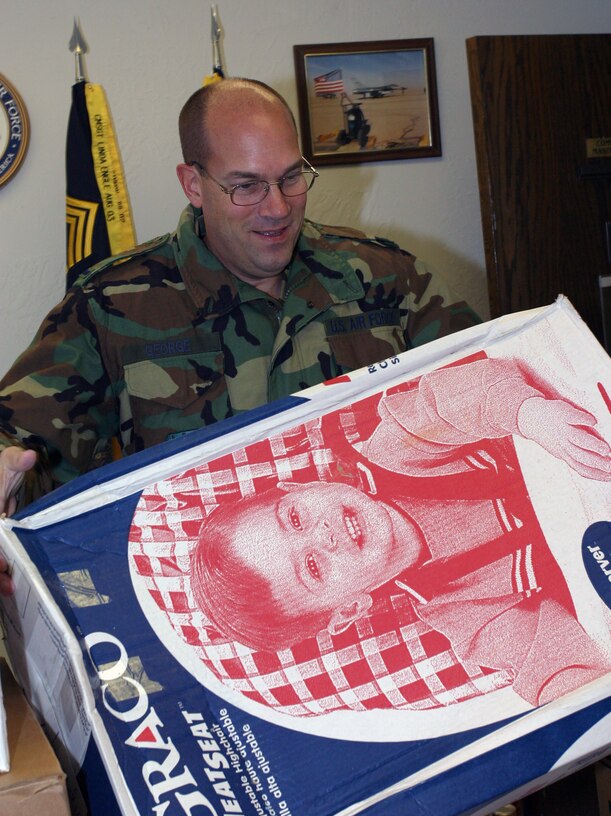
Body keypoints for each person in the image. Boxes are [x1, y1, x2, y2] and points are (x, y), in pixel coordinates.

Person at [0, 77, 481, 595]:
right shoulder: (113, 304)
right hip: (213, 609)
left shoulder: (390, 278)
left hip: (382, 588)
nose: (276, 208)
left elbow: (489, 382)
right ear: (192, 184)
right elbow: (22, 443)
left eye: (291, 177)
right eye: (246, 186)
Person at [186, 354, 610, 712]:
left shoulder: (398, 443)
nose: (325, 535)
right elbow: (545, 658)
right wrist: (569, 700)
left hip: (583, 420)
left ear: (299, 487)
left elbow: (469, 391)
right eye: (313, 567)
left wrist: (530, 416)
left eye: (295, 518)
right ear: (349, 610)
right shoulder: (459, 613)